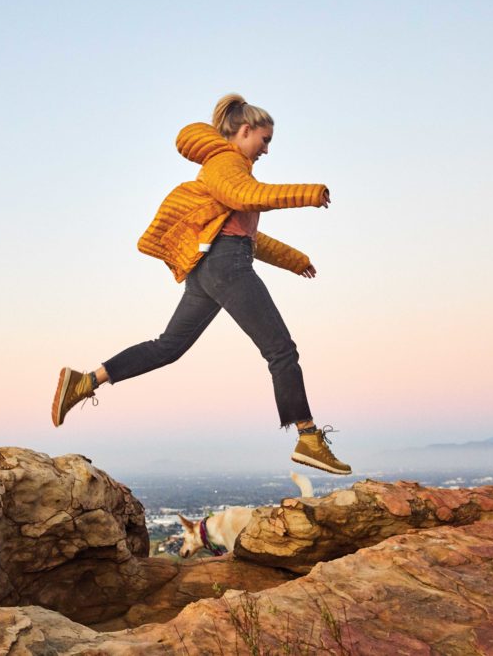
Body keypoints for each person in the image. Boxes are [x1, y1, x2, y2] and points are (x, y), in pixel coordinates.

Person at [51, 93, 351, 475]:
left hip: (213, 265)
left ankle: (86, 381)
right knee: (280, 350)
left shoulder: (230, 168)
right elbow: (246, 199)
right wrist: (308, 193)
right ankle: (308, 437)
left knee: (168, 346)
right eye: (265, 139)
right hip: (225, 266)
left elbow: (245, 236)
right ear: (245, 131)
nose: (267, 149)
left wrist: (296, 261)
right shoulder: (226, 163)